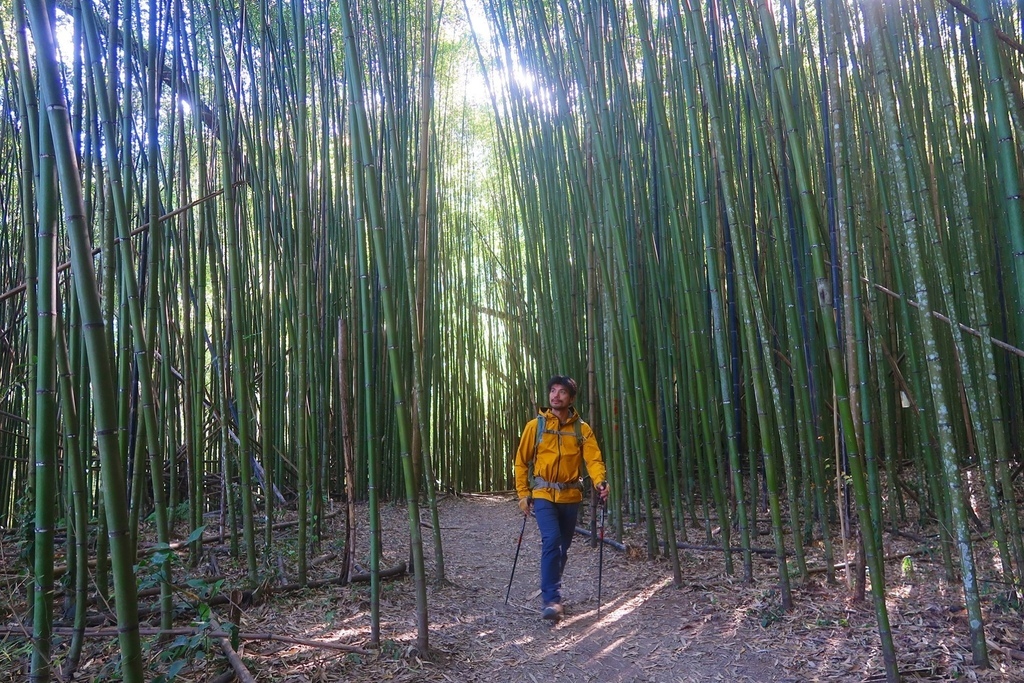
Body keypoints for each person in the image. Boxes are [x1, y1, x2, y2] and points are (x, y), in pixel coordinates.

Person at [514, 375, 609, 621]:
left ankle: (552, 588)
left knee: (563, 548)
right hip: (543, 493)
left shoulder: (582, 429)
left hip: (570, 495)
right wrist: (524, 494)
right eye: (553, 391)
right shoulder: (535, 427)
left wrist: (600, 481)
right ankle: (552, 599)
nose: (556, 395)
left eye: (562, 392)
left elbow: (593, 459)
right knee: (552, 541)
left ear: (571, 398)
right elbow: (521, 462)